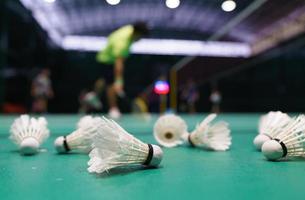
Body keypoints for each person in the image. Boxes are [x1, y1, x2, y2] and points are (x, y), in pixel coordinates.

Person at [96, 21, 149, 119]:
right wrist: (119, 81)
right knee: (111, 84)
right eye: (140, 37)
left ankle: (93, 95)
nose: (140, 39)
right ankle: (113, 109)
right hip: (108, 60)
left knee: (104, 80)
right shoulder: (122, 42)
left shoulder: (130, 29)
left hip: (102, 57)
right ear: (136, 33)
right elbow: (119, 64)